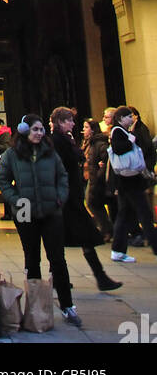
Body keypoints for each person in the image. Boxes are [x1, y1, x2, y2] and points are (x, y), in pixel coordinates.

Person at [0, 114, 80, 326]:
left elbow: (62, 176)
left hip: (51, 209)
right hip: (25, 211)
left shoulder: (50, 153)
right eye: (35, 129)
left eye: (41, 129)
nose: (39, 133)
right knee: (31, 256)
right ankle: (34, 306)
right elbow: (3, 180)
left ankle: (67, 305)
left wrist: (60, 198)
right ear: (24, 131)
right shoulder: (12, 154)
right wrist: (16, 200)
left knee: (57, 259)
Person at [50, 107, 121, 293]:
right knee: (82, 236)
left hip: (70, 197)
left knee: (63, 239)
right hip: (68, 198)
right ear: (60, 122)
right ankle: (99, 277)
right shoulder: (58, 141)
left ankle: (59, 277)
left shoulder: (64, 139)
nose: (73, 124)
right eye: (69, 120)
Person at [107, 104, 157, 264]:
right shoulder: (118, 131)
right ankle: (155, 246)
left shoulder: (122, 131)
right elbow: (118, 149)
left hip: (127, 181)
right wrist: (131, 140)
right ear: (121, 118)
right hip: (129, 180)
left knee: (125, 215)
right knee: (144, 214)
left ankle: (118, 251)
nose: (131, 118)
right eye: (129, 116)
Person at [82, 118, 113, 240]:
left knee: (93, 203)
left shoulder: (99, 144)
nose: (83, 130)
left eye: (86, 127)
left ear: (93, 130)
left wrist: (99, 173)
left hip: (97, 178)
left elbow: (105, 161)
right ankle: (106, 228)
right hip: (91, 176)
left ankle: (107, 229)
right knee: (92, 203)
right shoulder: (88, 143)